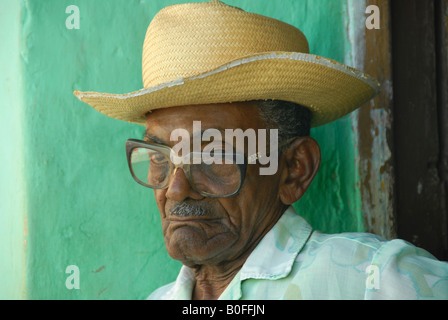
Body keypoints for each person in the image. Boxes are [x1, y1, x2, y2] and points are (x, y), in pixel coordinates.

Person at [74, 0, 448, 300]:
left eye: (212, 155)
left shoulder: (376, 280)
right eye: (159, 156)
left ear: (294, 169)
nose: (174, 189)